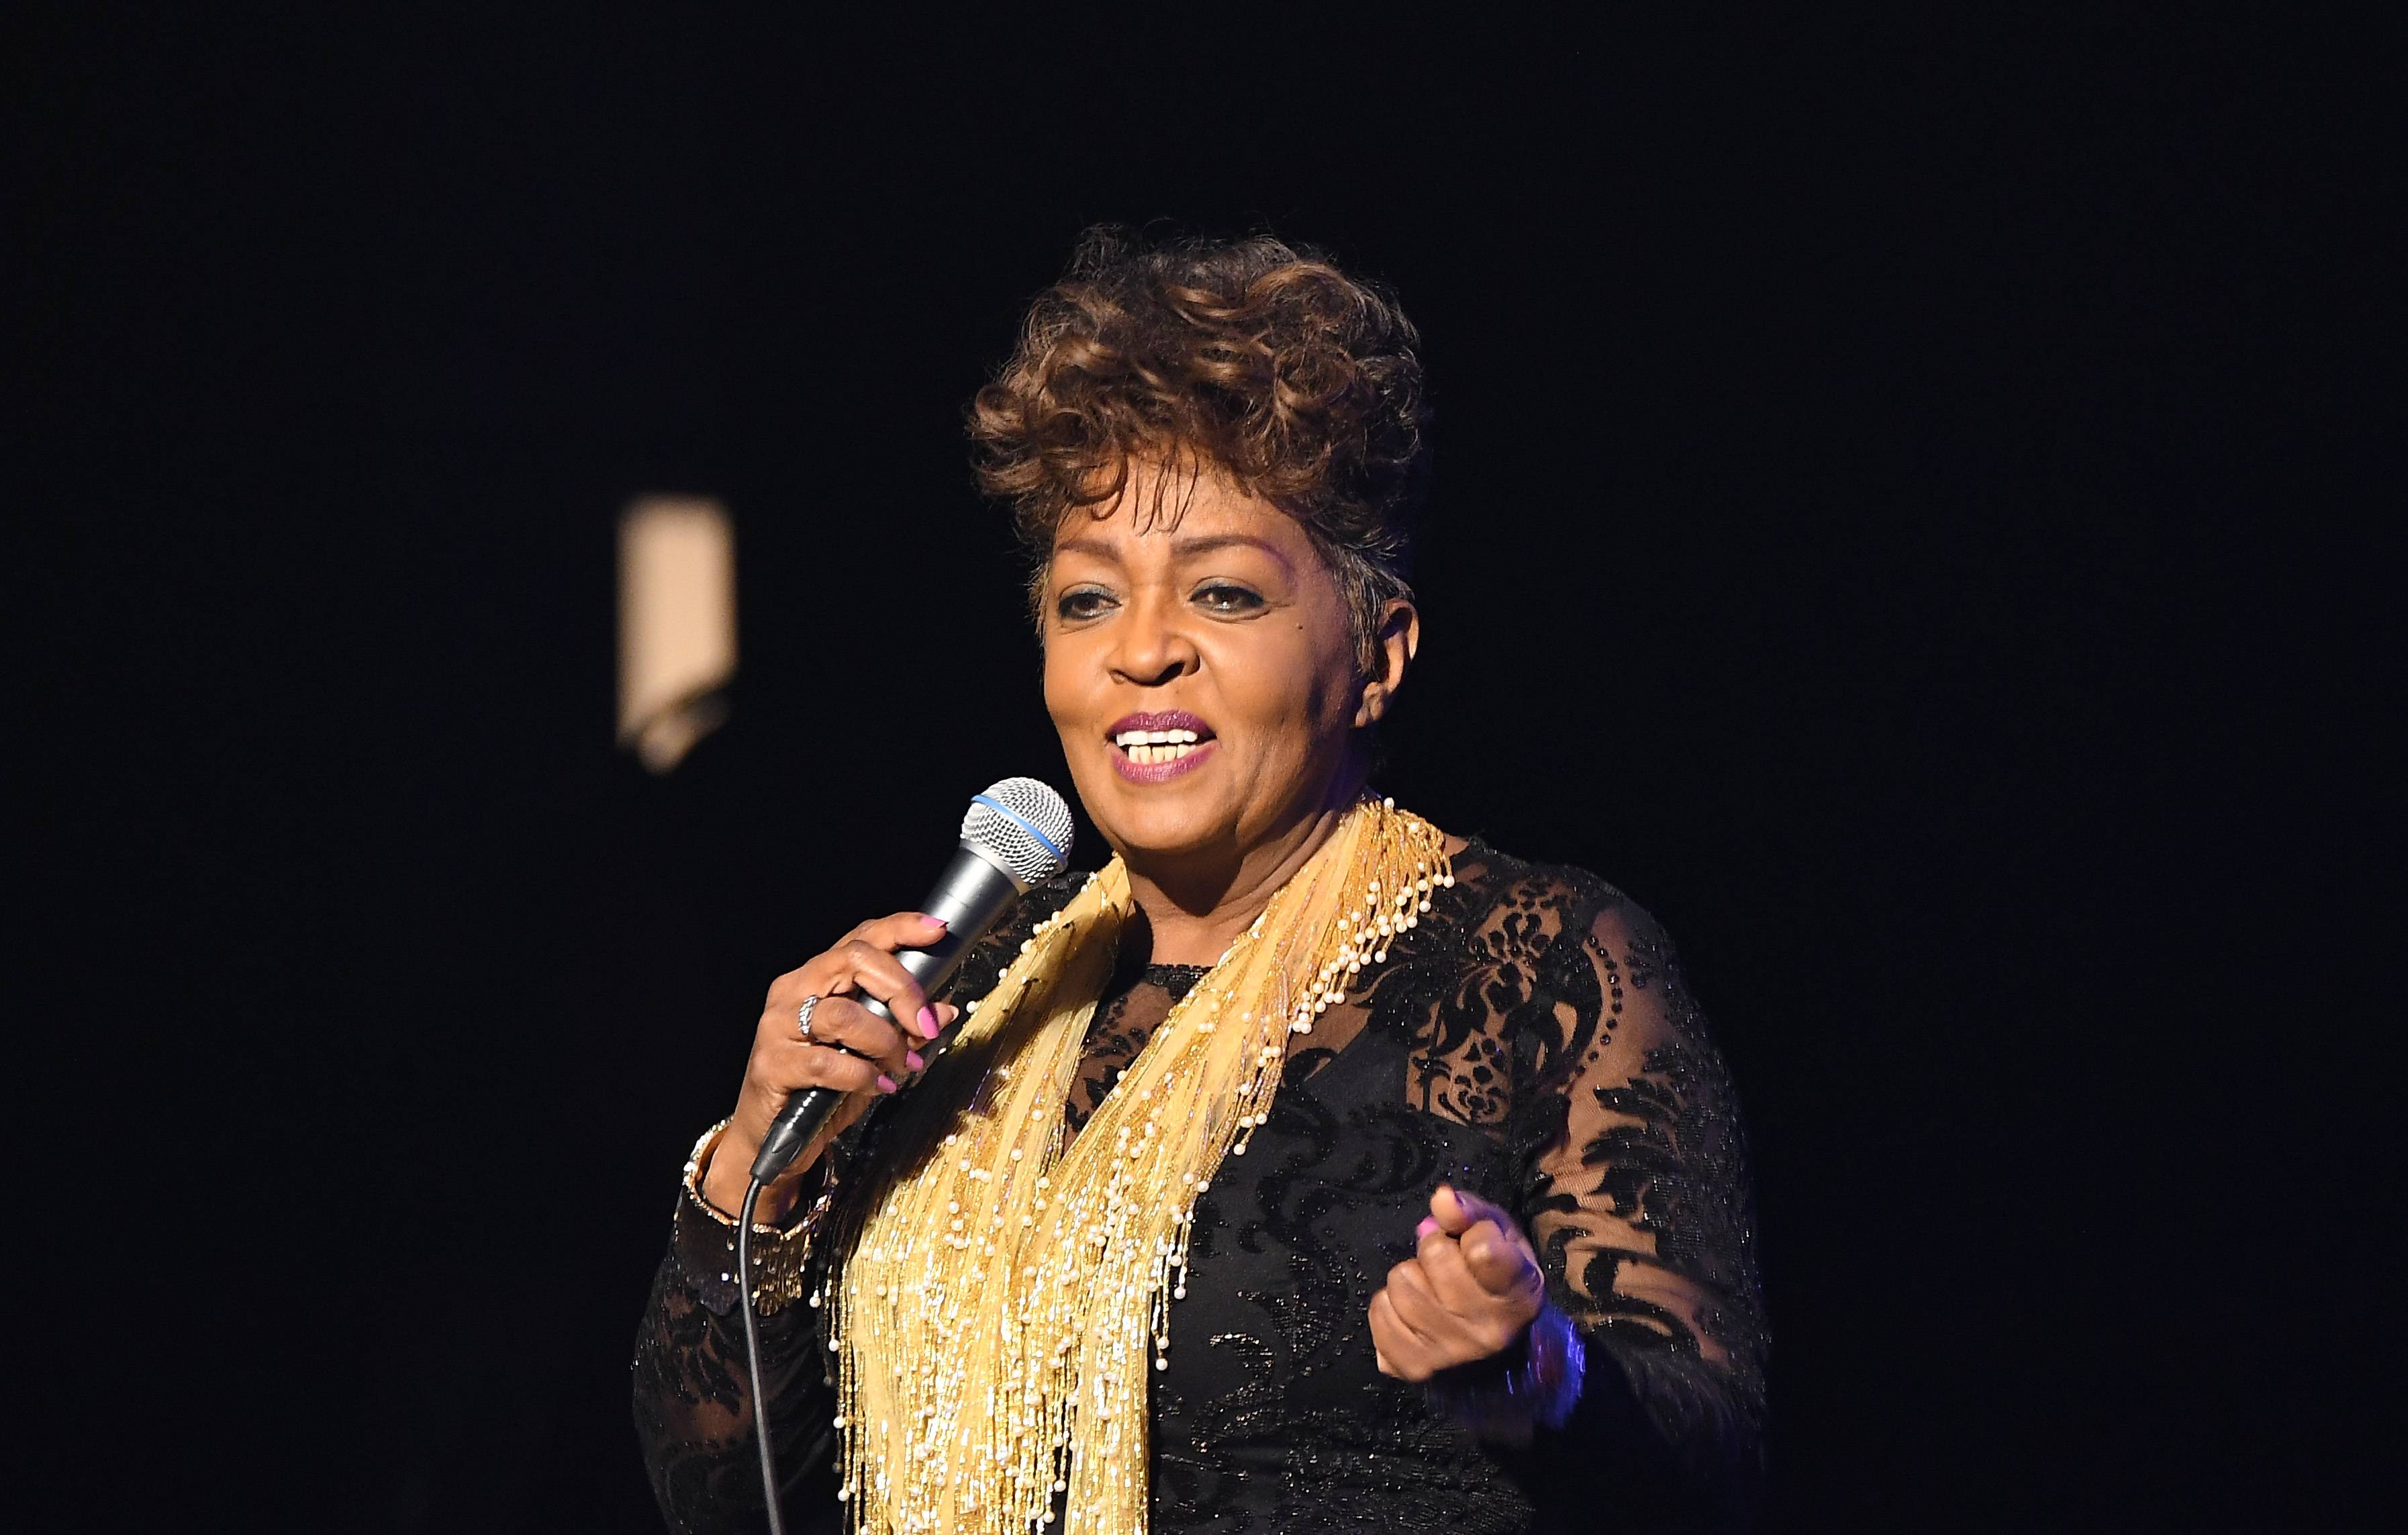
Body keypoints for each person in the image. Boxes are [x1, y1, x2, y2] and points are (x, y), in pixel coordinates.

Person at [632, 230, 1767, 1534]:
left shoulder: (1535, 966)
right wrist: (754, 1178)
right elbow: (718, 1490)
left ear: (1379, 652)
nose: (1144, 653)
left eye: (1223, 594)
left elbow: (1715, 1473)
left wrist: (1537, 1375)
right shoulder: (970, 1002)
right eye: (1086, 601)